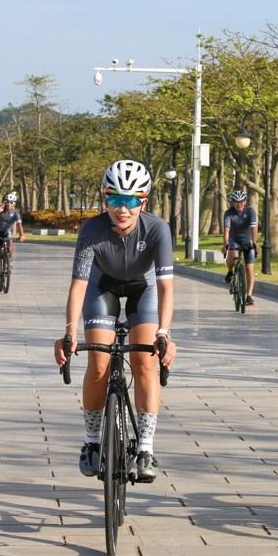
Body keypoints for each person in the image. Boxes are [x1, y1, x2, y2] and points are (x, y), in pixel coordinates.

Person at [53, 160, 178, 483]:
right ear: (105, 199)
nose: (123, 209)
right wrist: (69, 332)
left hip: (143, 289)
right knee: (98, 361)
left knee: (145, 360)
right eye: (115, 199)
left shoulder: (157, 229)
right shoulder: (92, 230)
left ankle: (146, 447)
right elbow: (79, 285)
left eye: (132, 200)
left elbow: (165, 287)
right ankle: (92, 442)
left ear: (144, 201)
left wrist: (164, 333)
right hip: (102, 287)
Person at [222, 190, 258, 306]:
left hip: (248, 240)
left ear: (245, 201)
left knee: (249, 269)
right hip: (234, 240)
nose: (239, 204)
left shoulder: (250, 211)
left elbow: (253, 228)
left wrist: (254, 242)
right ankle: (230, 271)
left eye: (241, 201)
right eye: (236, 202)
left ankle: (249, 295)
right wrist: (225, 243)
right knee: (233, 255)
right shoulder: (229, 213)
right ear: (232, 202)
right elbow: (226, 230)